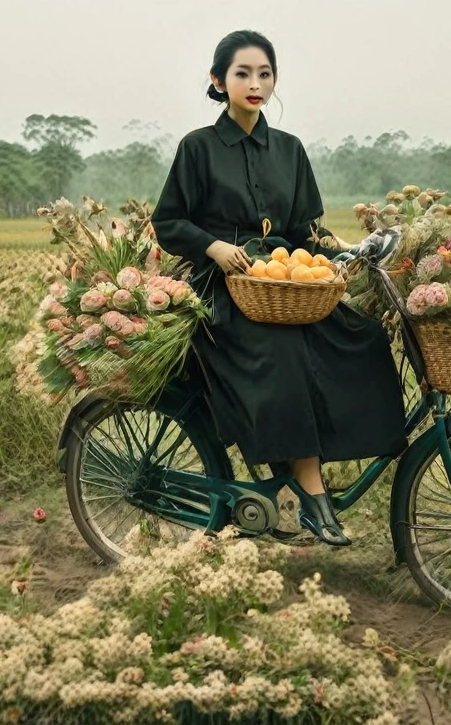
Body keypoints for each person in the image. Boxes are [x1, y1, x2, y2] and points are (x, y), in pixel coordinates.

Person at [151, 30, 408, 546]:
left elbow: (308, 229)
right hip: (224, 288)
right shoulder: (198, 148)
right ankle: (309, 493)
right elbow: (168, 221)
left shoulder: (289, 150)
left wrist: (347, 253)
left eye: (264, 74)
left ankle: (306, 473)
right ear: (218, 81)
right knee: (284, 349)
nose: (254, 83)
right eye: (242, 73)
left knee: (360, 337)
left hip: (286, 281)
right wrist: (214, 247)